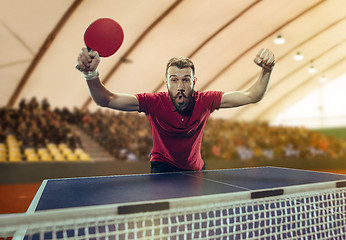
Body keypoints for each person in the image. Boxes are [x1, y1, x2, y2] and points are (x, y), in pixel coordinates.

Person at [77, 48, 275, 173]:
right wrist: (90, 74)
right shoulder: (153, 102)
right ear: (166, 83)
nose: (180, 86)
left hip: (196, 170)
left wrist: (267, 71)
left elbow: (252, 96)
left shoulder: (206, 101)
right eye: (174, 80)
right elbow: (106, 99)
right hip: (163, 169)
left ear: (194, 82)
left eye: (186, 80)